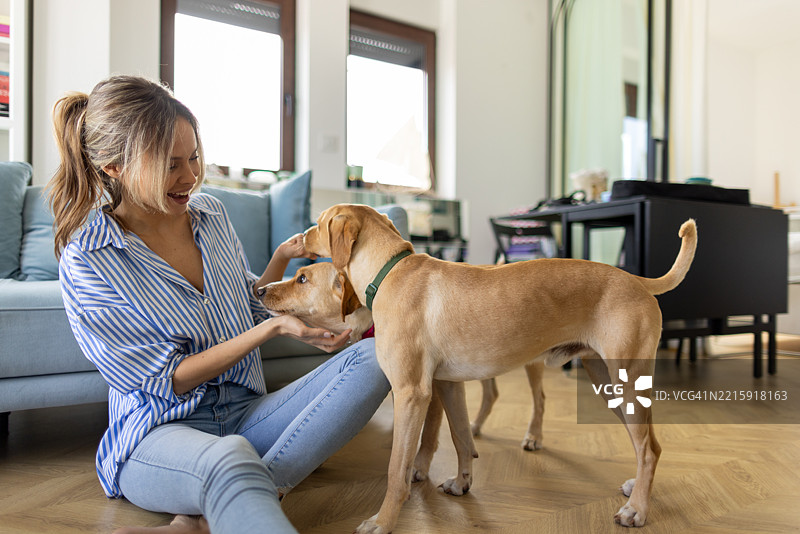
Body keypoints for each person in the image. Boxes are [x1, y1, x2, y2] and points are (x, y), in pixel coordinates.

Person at [48, 75, 391, 534]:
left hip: (248, 413)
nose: (190, 177)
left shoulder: (210, 216)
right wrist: (272, 328)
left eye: (193, 157)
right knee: (231, 457)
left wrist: (285, 280)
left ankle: (201, 518)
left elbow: (245, 306)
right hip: (159, 435)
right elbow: (166, 379)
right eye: (170, 165)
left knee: (377, 355)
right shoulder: (89, 256)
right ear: (114, 167)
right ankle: (233, 492)